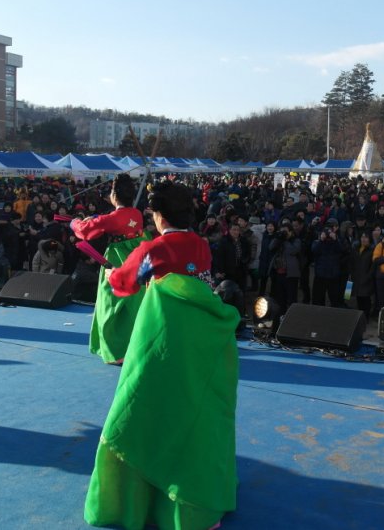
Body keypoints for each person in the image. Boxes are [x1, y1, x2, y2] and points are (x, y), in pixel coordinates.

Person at [85, 180, 239, 530]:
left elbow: (124, 284)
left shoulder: (154, 250)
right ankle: (196, 503)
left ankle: (142, 498)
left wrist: (111, 272)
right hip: (202, 342)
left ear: (158, 216)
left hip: (162, 340)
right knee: (196, 413)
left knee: (145, 412)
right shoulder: (201, 245)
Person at [70, 173, 149, 364]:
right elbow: (116, 222)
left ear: (114, 195)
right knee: (134, 304)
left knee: (110, 303)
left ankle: (116, 351)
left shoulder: (113, 218)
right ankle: (135, 346)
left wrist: (74, 222)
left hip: (117, 260)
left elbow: (85, 231)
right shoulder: (136, 214)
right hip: (136, 260)